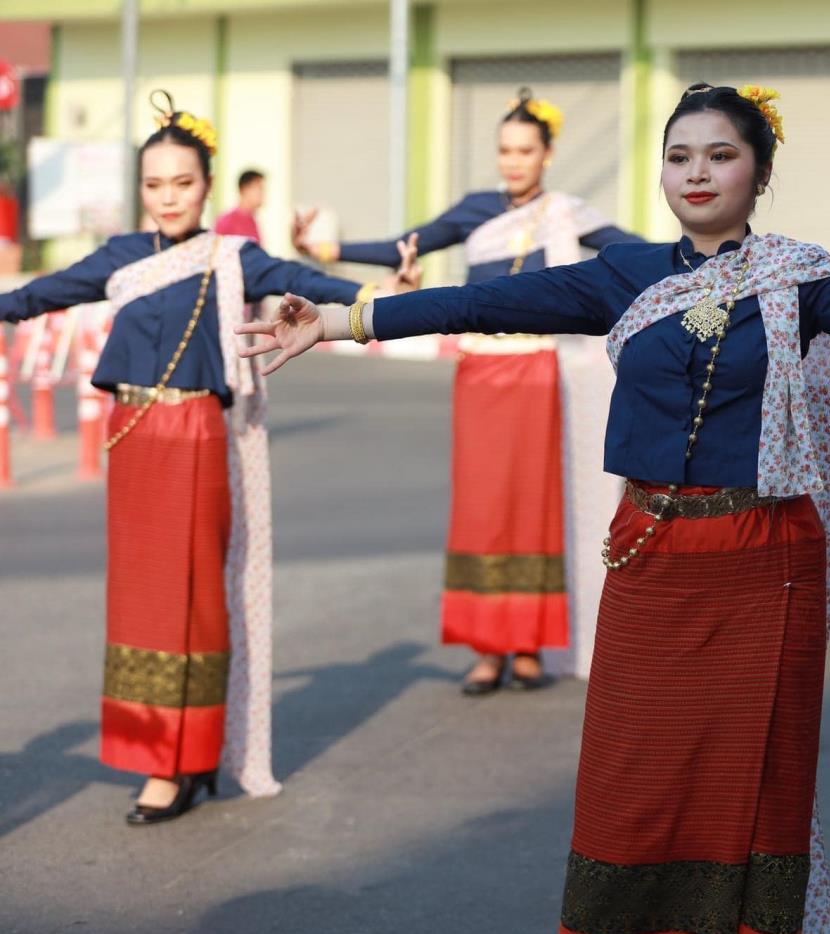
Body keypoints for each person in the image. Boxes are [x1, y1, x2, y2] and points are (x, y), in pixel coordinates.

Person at [239, 83, 830, 934]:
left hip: (764, 559)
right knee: (631, 779)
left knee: (754, 785)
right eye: (679, 157)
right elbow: (483, 304)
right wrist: (341, 320)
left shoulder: (799, 279)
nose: (697, 173)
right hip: (651, 550)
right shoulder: (624, 273)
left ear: (760, 173)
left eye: (720, 155)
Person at [0, 93, 406, 824]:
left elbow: (304, 280)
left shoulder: (230, 257)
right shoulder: (121, 255)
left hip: (193, 435)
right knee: (139, 599)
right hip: (132, 433)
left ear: (207, 186)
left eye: (182, 183)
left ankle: (185, 758)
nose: (168, 197)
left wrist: (381, 295)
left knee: (189, 597)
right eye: (154, 184)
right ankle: (158, 752)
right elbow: (42, 294)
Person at [295, 88, 643, 694]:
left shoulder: (567, 213)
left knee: (532, 503)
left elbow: (635, 251)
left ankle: (528, 645)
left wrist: (713, 252)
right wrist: (325, 250)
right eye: (505, 150)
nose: (513, 161)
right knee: (482, 508)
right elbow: (406, 243)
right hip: (481, 372)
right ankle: (487, 646)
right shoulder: (476, 209)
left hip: (537, 370)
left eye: (525, 151)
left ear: (547, 154)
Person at [215, 168, 265, 246]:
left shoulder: (252, 221)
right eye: (259, 188)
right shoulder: (227, 221)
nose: (263, 194)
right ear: (244, 189)